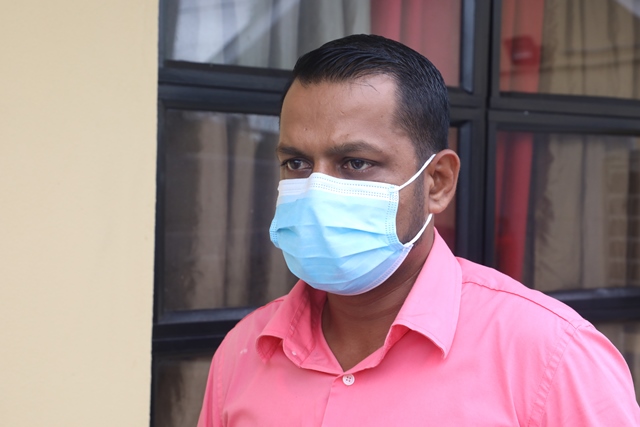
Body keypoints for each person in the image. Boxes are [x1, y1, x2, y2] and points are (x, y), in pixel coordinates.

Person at [197, 34, 640, 426]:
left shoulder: (551, 357)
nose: (316, 191)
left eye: (356, 163)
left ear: (437, 183)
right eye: (297, 163)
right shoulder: (244, 351)